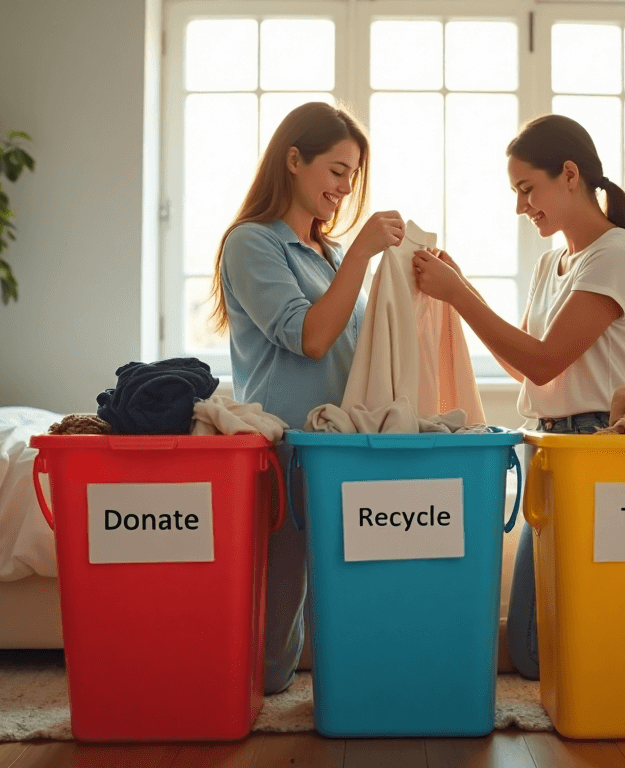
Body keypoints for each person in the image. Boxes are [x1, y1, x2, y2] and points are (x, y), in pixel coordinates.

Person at [412, 114, 625, 680]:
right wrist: (462, 294)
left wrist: (460, 295)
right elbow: (527, 368)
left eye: (528, 189)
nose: (521, 206)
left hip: (596, 445)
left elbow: (545, 359)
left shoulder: (615, 257)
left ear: (570, 175)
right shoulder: (554, 262)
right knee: (532, 644)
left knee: (544, 642)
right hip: (551, 445)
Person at [212, 101, 404, 693]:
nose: (345, 190)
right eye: (337, 171)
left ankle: (347, 697)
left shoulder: (332, 255)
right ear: (294, 161)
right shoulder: (251, 244)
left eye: (352, 177)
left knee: (351, 603)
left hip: (344, 451)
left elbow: (362, 349)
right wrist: (367, 255)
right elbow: (313, 338)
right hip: (288, 451)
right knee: (274, 635)